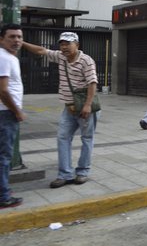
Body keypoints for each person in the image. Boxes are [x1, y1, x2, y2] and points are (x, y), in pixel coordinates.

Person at [22, 32, 99, 188]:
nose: (64, 47)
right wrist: (21, 42)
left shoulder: (86, 61)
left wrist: (87, 105)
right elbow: (41, 51)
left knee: (86, 139)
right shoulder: (60, 57)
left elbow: (92, 83)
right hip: (68, 109)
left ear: (77, 45)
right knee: (62, 138)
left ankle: (83, 172)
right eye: (62, 44)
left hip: (85, 107)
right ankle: (65, 174)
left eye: (68, 43)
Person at [0, 24, 26, 209]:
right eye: (12, 36)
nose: (16, 40)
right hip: (5, 113)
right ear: (2, 39)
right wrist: (17, 111)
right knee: (4, 155)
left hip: (6, 112)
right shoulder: (4, 57)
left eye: (19, 37)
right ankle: (3, 196)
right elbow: (3, 91)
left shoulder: (9, 57)